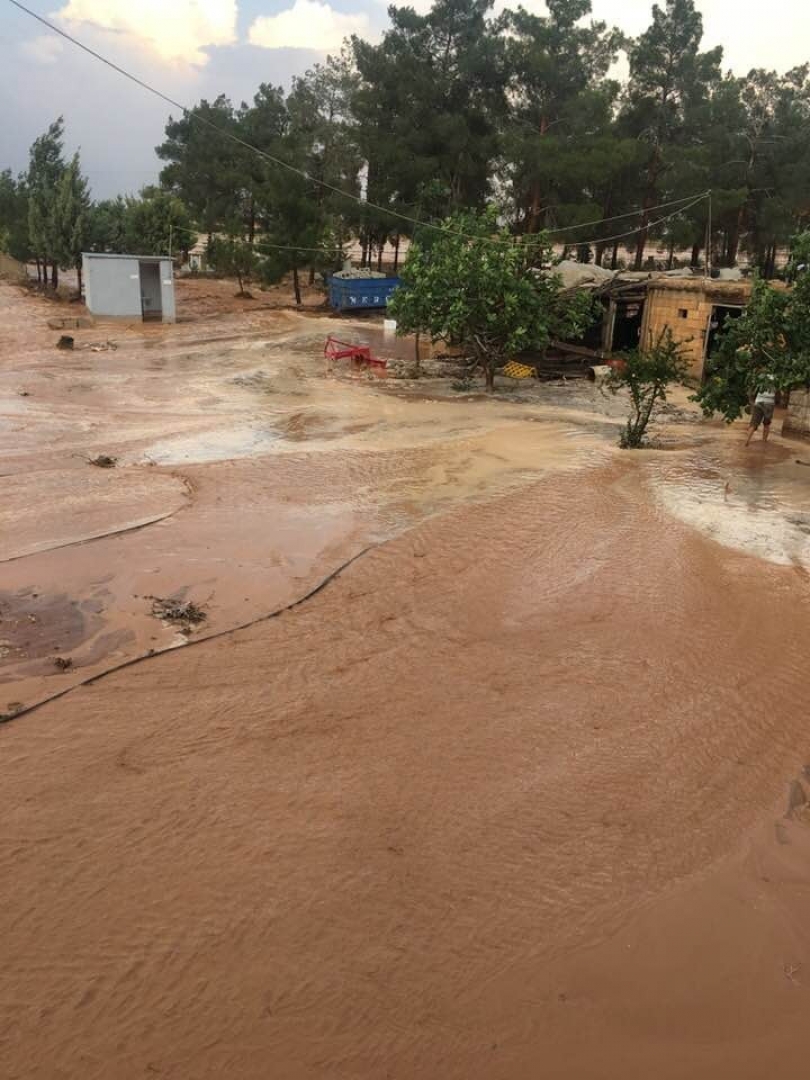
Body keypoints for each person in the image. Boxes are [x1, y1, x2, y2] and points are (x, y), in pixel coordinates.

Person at [745, 374, 776, 446]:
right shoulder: (776, 377)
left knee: (753, 423)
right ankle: (764, 442)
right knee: (766, 424)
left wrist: (751, 402)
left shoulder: (760, 376)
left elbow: (751, 390)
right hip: (769, 403)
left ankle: (747, 441)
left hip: (758, 402)